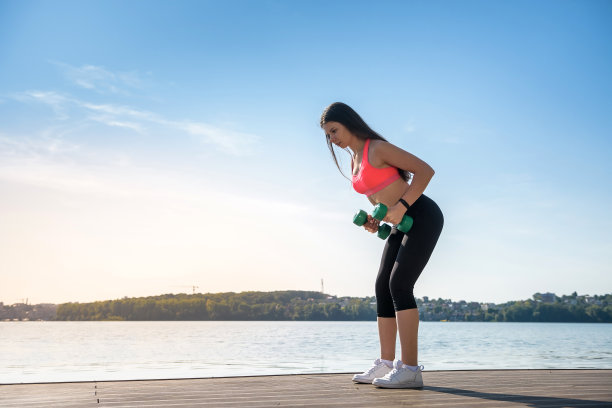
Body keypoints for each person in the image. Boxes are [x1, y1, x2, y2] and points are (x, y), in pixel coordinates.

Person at [320, 102, 444, 389]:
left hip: (422, 215)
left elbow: (425, 171)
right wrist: (376, 220)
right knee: (382, 287)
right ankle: (386, 364)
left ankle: (410, 369)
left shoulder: (376, 148)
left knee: (399, 284)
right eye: (328, 135)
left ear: (349, 123)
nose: (332, 139)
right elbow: (374, 194)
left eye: (334, 131)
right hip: (400, 221)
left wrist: (400, 206)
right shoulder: (354, 162)